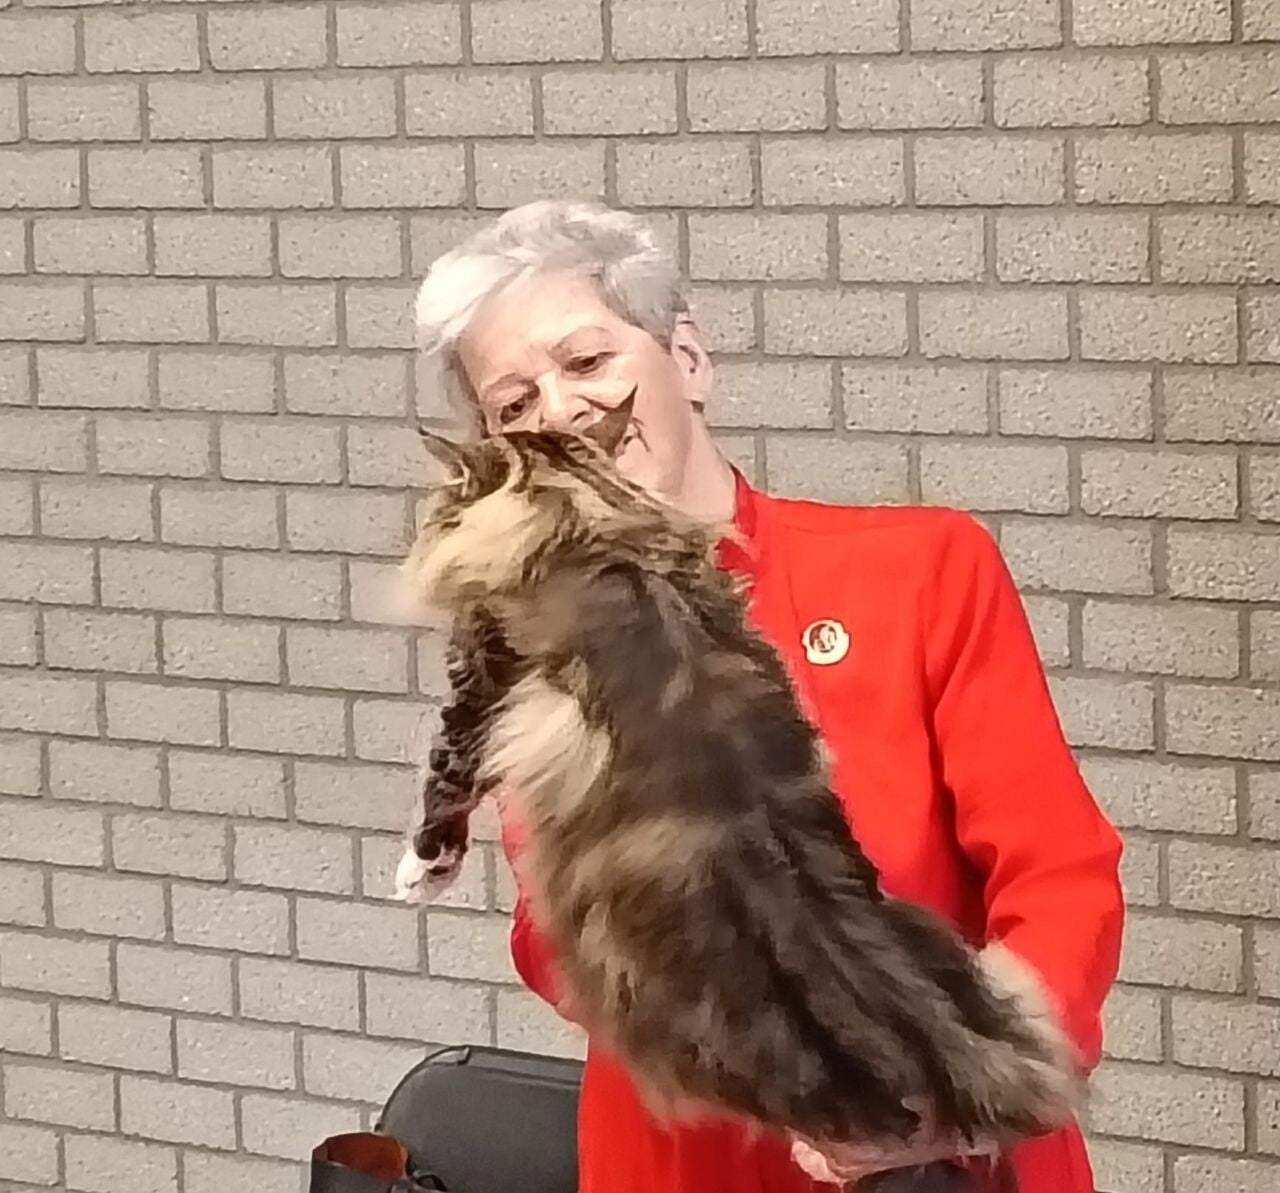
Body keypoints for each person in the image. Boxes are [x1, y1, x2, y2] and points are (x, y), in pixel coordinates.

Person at [412, 200, 1124, 1193]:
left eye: (586, 361)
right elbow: (556, 949)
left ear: (687, 358)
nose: (563, 414)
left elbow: (1060, 876)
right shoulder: (542, 655)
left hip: (941, 1154)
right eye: (514, 404)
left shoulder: (921, 569)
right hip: (684, 1160)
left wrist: (959, 1094)